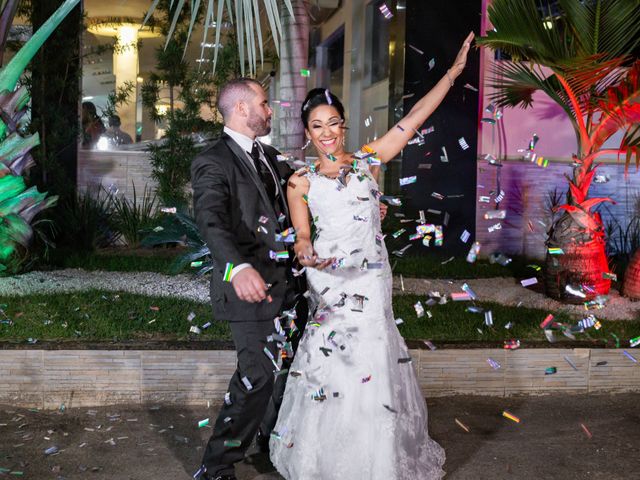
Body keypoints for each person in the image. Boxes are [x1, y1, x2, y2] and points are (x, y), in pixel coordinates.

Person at [269, 32, 475, 480]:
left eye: (334, 123)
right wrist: (305, 252)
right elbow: (303, 236)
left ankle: (377, 462)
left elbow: (415, 119)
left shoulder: (368, 162)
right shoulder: (300, 181)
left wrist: (453, 73)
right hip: (330, 282)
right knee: (332, 361)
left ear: (344, 125)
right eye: (317, 126)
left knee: (373, 357)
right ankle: (326, 459)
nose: (327, 133)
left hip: (370, 279)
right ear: (307, 134)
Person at [191, 78, 307, 480]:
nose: (270, 110)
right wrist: (236, 267)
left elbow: (305, 202)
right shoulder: (213, 161)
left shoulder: (272, 157)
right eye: (264, 103)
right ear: (242, 109)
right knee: (256, 374)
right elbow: (210, 220)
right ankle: (216, 466)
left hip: (290, 287)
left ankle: (269, 442)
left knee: (283, 370)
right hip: (248, 287)